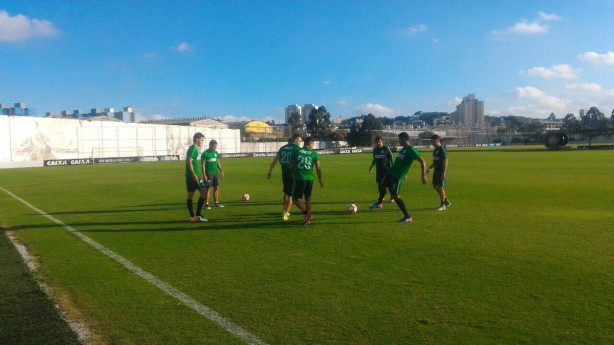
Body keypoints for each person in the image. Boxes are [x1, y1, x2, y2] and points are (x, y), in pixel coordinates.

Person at [377, 132, 427, 223]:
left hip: (397, 176)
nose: (398, 141)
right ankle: (379, 203)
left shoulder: (411, 150)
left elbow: (423, 162)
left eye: (399, 139)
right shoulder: (404, 149)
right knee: (382, 185)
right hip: (391, 173)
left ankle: (407, 216)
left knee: (395, 196)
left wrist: (423, 176)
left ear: (404, 139)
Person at [267, 134, 302, 221]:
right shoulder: (297, 149)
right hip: (292, 174)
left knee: (286, 193)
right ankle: (286, 214)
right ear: (296, 140)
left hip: (284, 173)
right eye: (300, 141)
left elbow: (275, 159)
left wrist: (270, 171)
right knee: (291, 195)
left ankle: (284, 211)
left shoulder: (282, 148)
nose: (300, 143)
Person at [290, 137, 323, 226]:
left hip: (300, 178)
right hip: (310, 179)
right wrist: (320, 180)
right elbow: (318, 169)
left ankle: (306, 214)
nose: (313, 146)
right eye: (313, 144)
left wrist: (294, 172)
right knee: (308, 197)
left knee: (295, 199)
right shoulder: (314, 153)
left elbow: (291, 165)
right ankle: (307, 217)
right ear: (309, 144)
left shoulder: (296, 151)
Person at [185, 132, 208, 222]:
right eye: (202, 140)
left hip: (190, 176)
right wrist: (194, 174)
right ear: (197, 139)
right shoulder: (193, 148)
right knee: (204, 192)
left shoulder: (193, 148)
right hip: (195, 176)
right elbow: (189, 161)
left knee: (190, 195)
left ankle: (192, 216)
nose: (202, 142)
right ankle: (197, 215)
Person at [426, 134, 451, 211]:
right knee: (435, 186)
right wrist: (430, 168)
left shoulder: (442, 150)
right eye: (432, 142)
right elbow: (435, 161)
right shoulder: (435, 150)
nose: (432, 143)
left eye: (434, 142)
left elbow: (445, 163)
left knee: (440, 187)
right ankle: (445, 200)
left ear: (438, 141)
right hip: (436, 171)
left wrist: (443, 173)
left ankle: (443, 205)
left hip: (441, 171)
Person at [368, 136, 394, 209]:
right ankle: (381, 197)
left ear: (382, 142)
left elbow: (391, 158)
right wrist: (371, 167)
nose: (378, 143)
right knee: (380, 185)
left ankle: (392, 197)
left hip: (387, 170)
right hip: (379, 171)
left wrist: (394, 167)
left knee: (388, 184)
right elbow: (375, 159)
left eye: (379, 142)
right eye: (376, 142)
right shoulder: (375, 150)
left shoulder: (386, 149)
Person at [201, 139, 225, 209]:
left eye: (216, 147)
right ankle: (207, 204)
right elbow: (202, 165)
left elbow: (217, 162)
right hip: (209, 174)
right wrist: (204, 175)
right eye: (214, 146)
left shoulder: (215, 153)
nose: (215, 148)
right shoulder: (205, 153)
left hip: (215, 173)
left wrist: (221, 170)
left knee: (216, 187)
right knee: (208, 188)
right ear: (210, 145)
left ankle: (216, 203)